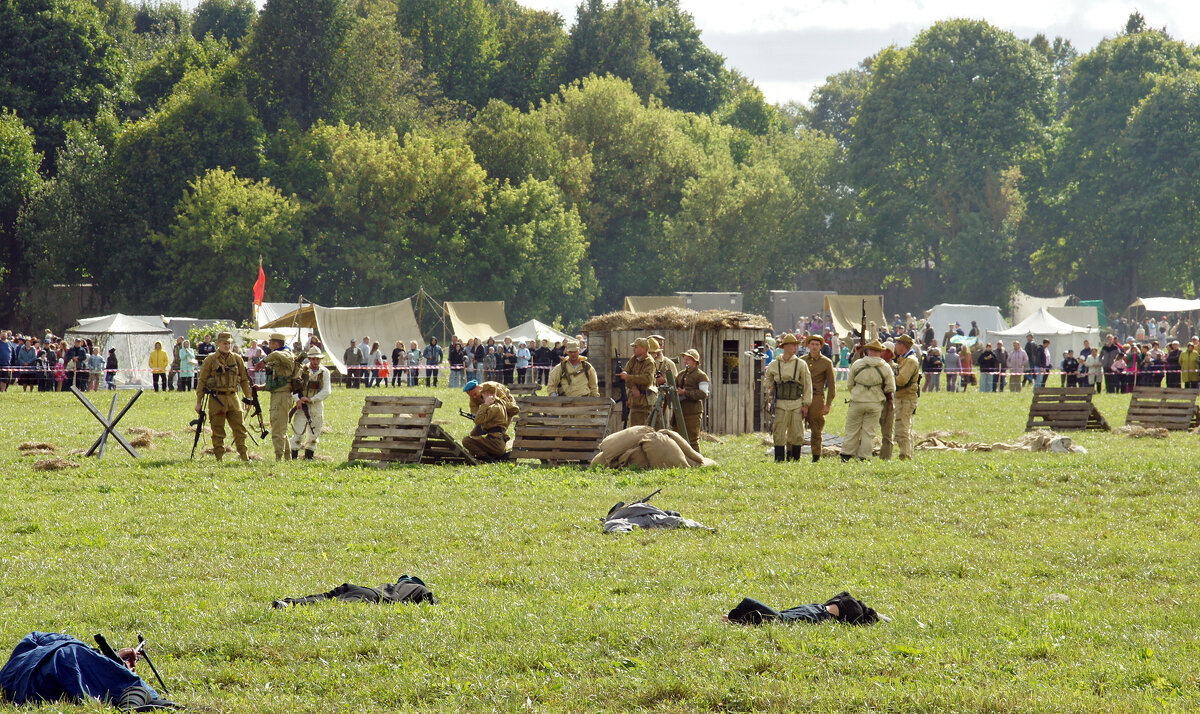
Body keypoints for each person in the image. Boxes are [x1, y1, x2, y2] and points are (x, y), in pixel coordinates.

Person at [0, 631, 175, 710]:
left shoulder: (36, 642)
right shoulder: (74, 652)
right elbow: (78, 660)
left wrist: (112, 661)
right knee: (136, 688)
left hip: (18, 684)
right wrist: (121, 670)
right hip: (60, 665)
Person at [195, 331, 254, 461]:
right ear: (218, 344)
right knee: (217, 430)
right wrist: (199, 402)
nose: (227, 346)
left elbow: (244, 380)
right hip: (217, 398)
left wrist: (248, 398)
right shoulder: (210, 360)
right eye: (224, 343)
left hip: (233, 397)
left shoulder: (237, 358)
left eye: (229, 343)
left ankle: (244, 456)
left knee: (240, 428)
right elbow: (202, 381)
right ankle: (219, 458)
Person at [842, 340, 896, 462]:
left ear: (868, 350)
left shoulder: (857, 364)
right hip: (875, 403)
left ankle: (846, 455)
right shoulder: (886, 367)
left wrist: (857, 393)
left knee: (852, 430)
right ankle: (864, 457)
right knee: (869, 432)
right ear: (880, 352)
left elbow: (850, 384)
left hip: (857, 401)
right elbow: (890, 388)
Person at [762, 333, 812, 462]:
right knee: (778, 432)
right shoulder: (774, 364)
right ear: (785, 346)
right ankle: (779, 459)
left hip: (796, 402)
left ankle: (795, 459)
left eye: (796, 345)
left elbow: (807, 385)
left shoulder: (801, 364)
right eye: (792, 345)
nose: (795, 348)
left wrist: (806, 404)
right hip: (779, 403)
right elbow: (767, 380)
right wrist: (772, 386)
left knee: (797, 433)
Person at [290, 347, 331, 460]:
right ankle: (293, 457)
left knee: (314, 434)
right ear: (309, 359)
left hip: (316, 406)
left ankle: (309, 457)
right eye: (313, 359)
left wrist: (312, 399)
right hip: (301, 406)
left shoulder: (324, 372)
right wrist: (298, 399)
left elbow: (327, 391)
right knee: (298, 433)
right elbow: (292, 387)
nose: (316, 361)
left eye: (318, 359)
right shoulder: (301, 370)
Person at [262, 334, 297, 461]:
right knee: (281, 428)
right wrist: (261, 387)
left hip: (282, 396)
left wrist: (264, 361)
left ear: (276, 344)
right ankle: (287, 458)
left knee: (277, 428)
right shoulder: (280, 354)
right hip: (278, 394)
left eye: (270, 342)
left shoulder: (285, 353)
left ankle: (278, 458)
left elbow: (277, 355)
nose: (269, 344)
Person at [801, 335, 835, 463]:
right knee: (796, 426)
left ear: (821, 346)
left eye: (817, 344)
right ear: (808, 346)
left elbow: (831, 385)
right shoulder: (802, 360)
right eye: (812, 344)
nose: (814, 347)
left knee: (816, 428)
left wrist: (828, 404)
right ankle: (793, 453)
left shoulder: (826, 362)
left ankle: (816, 456)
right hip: (802, 396)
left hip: (817, 397)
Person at [673, 349, 710, 453]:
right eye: (685, 359)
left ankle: (697, 463)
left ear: (695, 361)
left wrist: (686, 392)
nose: (685, 362)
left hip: (693, 412)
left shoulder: (701, 376)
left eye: (688, 359)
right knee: (677, 438)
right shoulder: (680, 374)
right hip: (679, 410)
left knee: (692, 439)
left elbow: (703, 393)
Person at [892, 334, 921, 461]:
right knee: (904, 426)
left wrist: (889, 378)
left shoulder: (910, 361)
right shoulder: (905, 359)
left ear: (903, 345)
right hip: (903, 397)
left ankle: (905, 456)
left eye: (897, 344)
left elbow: (902, 380)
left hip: (906, 398)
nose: (895, 346)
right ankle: (907, 453)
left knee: (902, 428)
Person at [463, 389, 511, 462]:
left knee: (466, 440)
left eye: (483, 395)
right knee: (473, 438)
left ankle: (489, 460)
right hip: (496, 441)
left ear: (488, 394)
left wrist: (486, 404)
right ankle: (493, 457)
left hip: (495, 442)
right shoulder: (499, 405)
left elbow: (478, 420)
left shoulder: (494, 407)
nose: (482, 397)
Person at [618, 338, 657, 427]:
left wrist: (629, 377)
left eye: (636, 347)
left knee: (642, 429)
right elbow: (626, 373)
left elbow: (647, 379)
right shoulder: (634, 359)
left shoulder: (649, 362)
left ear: (644, 349)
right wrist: (633, 387)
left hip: (644, 402)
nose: (633, 349)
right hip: (634, 401)